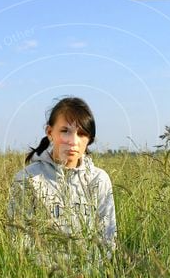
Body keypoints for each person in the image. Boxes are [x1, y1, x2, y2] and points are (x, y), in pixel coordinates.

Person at [7, 97, 116, 266]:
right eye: (65, 131)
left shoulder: (99, 179)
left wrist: (87, 272)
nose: (73, 141)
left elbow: (108, 238)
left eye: (81, 134)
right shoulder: (27, 179)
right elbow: (19, 240)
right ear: (50, 132)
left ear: (89, 138)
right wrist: (59, 272)